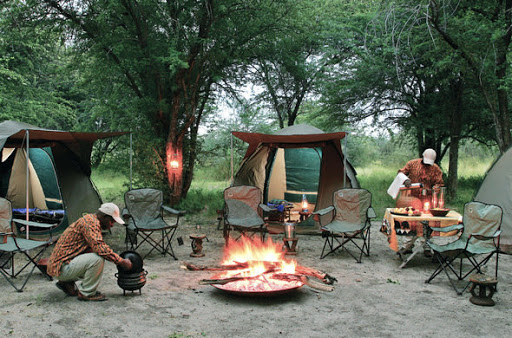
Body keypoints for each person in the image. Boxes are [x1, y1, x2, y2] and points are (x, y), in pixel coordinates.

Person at [47, 203, 132, 301]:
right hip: (60, 268)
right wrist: (121, 261)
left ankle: (66, 283)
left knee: (91, 253)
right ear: (105, 217)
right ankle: (86, 293)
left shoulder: (90, 220)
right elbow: (100, 248)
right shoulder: (90, 223)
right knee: (97, 259)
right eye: (111, 221)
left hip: (59, 265)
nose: (112, 225)